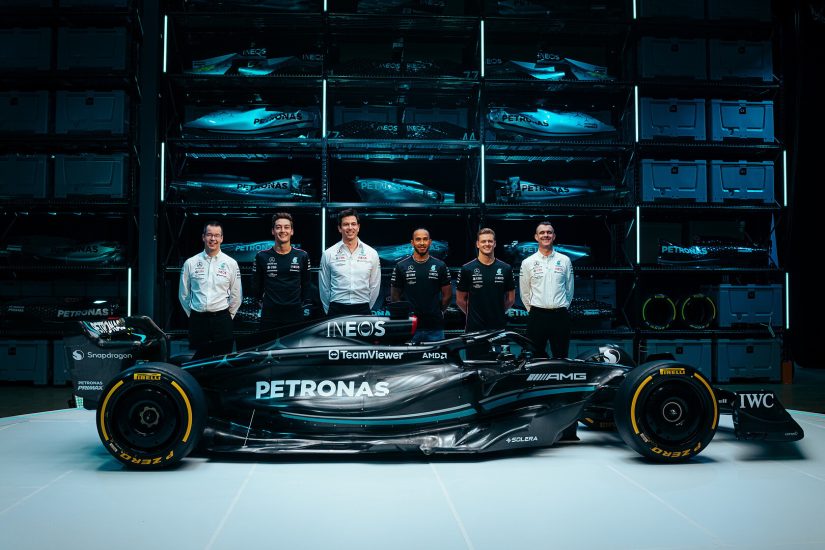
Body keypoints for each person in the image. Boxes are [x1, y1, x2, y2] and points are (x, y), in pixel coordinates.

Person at [178, 221, 242, 359]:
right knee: (197, 362)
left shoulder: (231, 263)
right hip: (198, 321)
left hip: (222, 320)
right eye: (209, 235)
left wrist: (227, 316)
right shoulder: (190, 263)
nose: (213, 239)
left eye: (216, 235)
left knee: (223, 362)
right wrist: (193, 315)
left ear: (222, 238)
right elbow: (183, 294)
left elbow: (236, 295)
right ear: (203, 237)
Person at [519, 221, 574, 358]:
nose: (546, 235)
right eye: (542, 232)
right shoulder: (527, 262)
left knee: (561, 357)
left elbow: (569, 289)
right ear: (536, 237)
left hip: (560, 316)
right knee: (535, 358)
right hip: (537, 316)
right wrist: (534, 311)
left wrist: (562, 307)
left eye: (549, 232)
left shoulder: (565, 260)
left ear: (554, 236)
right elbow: (524, 292)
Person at [251, 212, 311, 331]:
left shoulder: (302, 255)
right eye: (278, 227)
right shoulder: (261, 256)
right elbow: (255, 285)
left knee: (294, 343)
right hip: (269, 313)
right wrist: (261, 301)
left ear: (292, 231)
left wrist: (301, 303)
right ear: (273, 231)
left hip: (294, 313)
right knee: (267, 343)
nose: (282, 230)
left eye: (286, 227)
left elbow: (306, 284)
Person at [390, 228, 452, 343]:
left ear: (430, 242)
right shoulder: (401, 266)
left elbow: (447, 295)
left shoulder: (440, 265)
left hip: (434, 327)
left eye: (425, 239)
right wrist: (405, 316)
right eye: (418, 239)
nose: (422, 243)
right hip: (410, 327)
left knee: (436, 355)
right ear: (412, 242)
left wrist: (439, 311)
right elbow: (394, 296)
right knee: (409, 356)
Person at [319, 208, 381, 316]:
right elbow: (324, 287)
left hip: (363, 308)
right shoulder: (328, 254)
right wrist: (329, 310)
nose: (350, 227)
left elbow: (375, 286)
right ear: (339, 228)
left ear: (358, 227)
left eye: (353, 224)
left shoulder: (372, 253)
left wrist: (367, 307)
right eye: (346, 224)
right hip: (336, 309)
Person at [456, 228, 515, 333]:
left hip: (498, 327)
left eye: (490, 241)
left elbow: (510, 299)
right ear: (477, 244)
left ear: (495, 244)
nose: (487, 244)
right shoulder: (467, 268)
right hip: (474, 328)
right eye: (483, 241)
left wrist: (498, 313)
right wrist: (473, 316)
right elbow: (460, 300)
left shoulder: (506, 268)